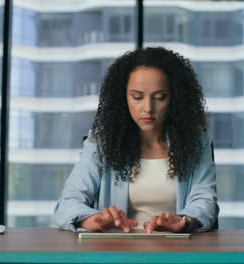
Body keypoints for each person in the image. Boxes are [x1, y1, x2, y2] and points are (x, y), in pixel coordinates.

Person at [54, 47, 219, 233]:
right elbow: (68, 203)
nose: (148, 108)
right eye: (137, 97)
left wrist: (184, 221)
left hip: (177, 253)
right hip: (117, 255)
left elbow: (205, 200)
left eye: (160, 97)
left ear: (175, 99)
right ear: (122, 98)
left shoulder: (196, 142)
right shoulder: (100, 143)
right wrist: (93, 220)